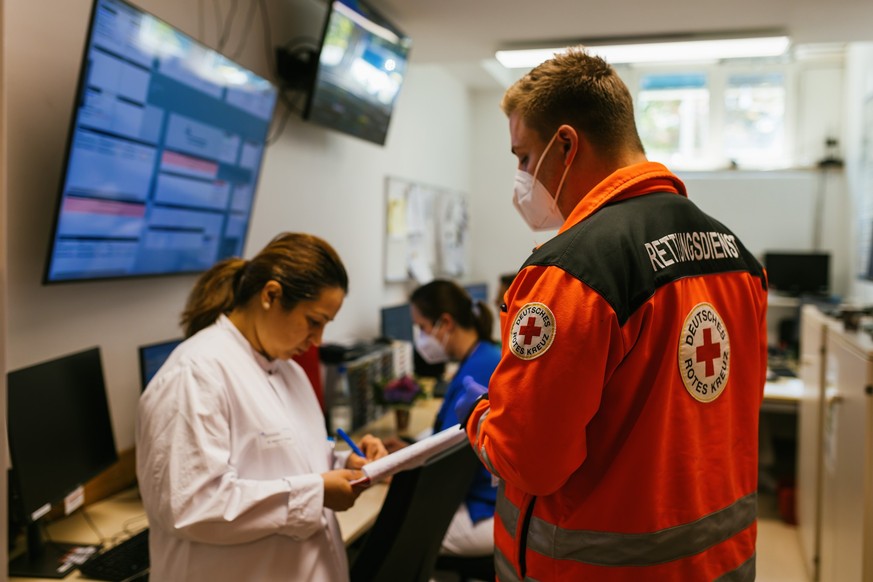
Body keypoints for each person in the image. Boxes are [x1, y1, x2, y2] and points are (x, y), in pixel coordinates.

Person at [456, 47, 768, 581]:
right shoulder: (737, 257)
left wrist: (479, 415)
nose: (522, 176)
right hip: (721, 562)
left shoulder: (574, 270)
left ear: (567, 145)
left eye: (524, 157)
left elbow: (530, 460)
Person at [136, 232, 388, 582]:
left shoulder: (289, 370)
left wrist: (347, 462)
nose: (317, 340)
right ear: (270, 295)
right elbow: (192, 507)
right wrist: (316, 493)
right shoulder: (195, 374)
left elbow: (284, 455)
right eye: (313, 321)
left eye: (325, 325)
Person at [406, 279, 502, 557]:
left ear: (445, 323)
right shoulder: (482, 355)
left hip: (484, 507)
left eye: (422, 328)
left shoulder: (477, 371)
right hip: (487, 495)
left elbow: (447, 457)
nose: (421, 338)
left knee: (403, 537)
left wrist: (397, 470)